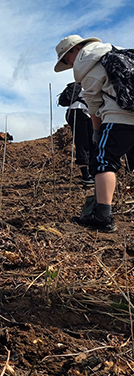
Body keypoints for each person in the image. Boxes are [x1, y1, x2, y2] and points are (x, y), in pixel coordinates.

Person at [55, 34, 134, 232]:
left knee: (103, 160)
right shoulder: (116, 50)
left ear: (76, 49)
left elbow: (93, 102)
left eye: (66, 59)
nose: (69, 64)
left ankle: (102, 216)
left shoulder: (86, 65)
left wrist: (97, 131)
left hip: (118, 117)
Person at [57, 81, 95, 187]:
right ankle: (86, 175)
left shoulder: (84, 84)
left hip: (82, 113)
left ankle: (89, 174)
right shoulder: (89, 84)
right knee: (83, 142)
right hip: (79, 112)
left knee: (87, 142)